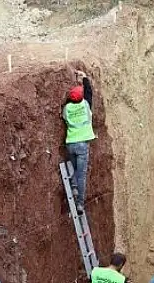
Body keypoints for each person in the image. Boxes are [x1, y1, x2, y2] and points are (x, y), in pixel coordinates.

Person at [61, 70, 95, 215]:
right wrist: (84, 78)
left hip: (70, 145)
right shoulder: (86, 105)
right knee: (81, 175)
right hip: (82, 145)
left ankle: (74, 186)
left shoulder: (67, 109)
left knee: (76, 172)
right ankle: (80, 204)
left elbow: (72, 101)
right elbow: (89, 94)